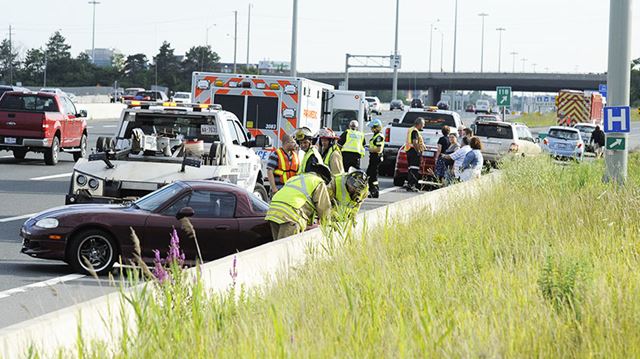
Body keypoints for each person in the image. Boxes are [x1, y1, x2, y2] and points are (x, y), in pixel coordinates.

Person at [265, 163, 332, 240]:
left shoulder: (295, 178)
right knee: (287, 249)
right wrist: (327, 227)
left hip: (273, 211)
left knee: (277, 245)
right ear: (324, 178)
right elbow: (324, 207)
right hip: (290, 216)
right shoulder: (318, 182)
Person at [404, 117, 426, 192]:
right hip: (413, 152)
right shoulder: (415, 131)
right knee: (414, 169)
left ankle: (410, 185)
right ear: (419, 124)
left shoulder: (411, 129)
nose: (423, 126)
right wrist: (418, 151)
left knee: (411, 168)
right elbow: (415, 142)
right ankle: (412, 185)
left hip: (409, 151)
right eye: (423, 124)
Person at [366, 119, 384, 198]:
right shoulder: (376, 136)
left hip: (376, 157)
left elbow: (378, 149)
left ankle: (375, 191)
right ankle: (372, 191)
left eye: (372, 128)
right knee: (369, 174)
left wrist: (368, 149)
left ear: (377, 127)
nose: (371, 129)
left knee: (373, 176)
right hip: (373, 157)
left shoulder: (379, 137)